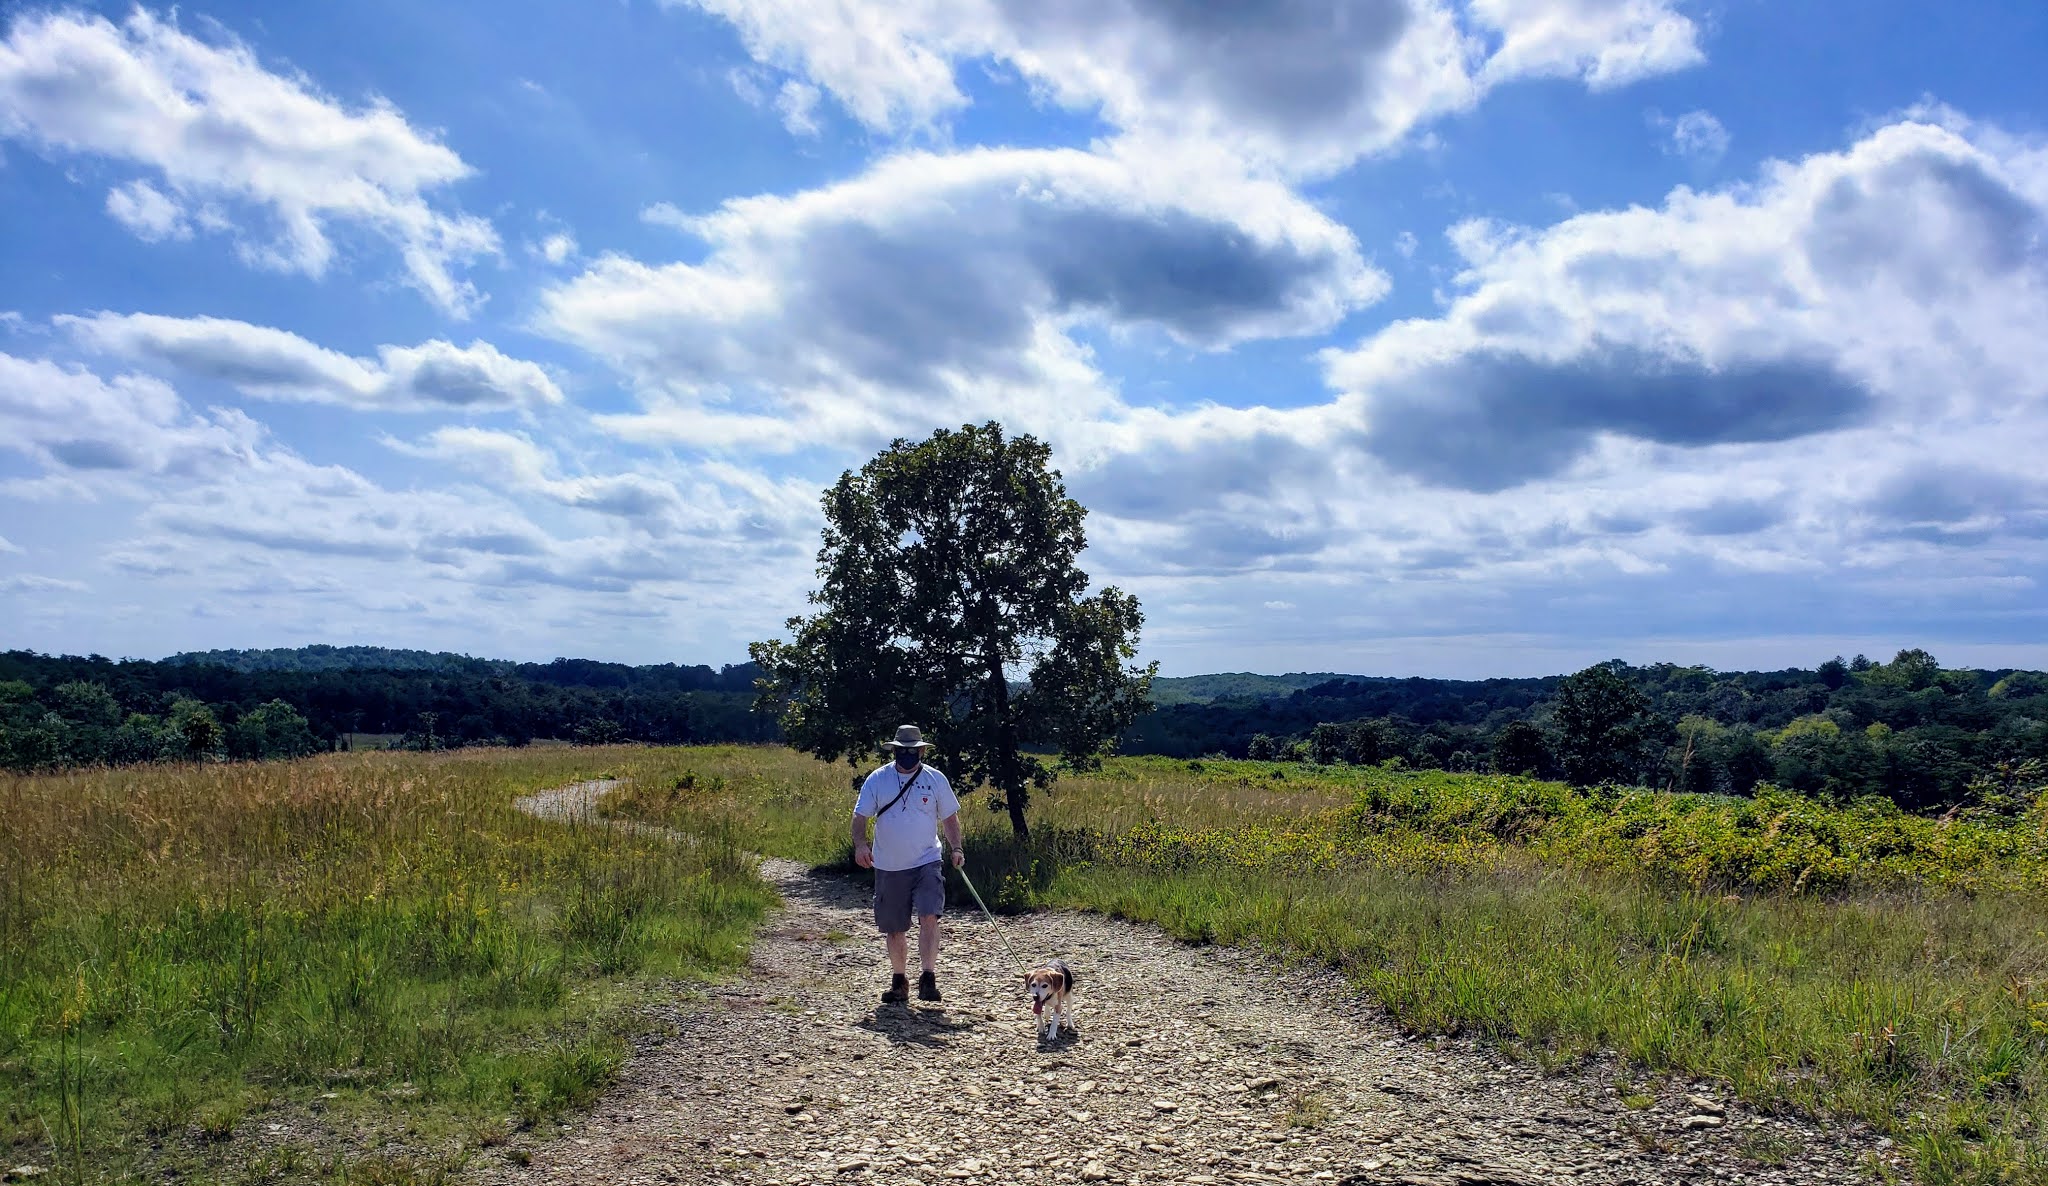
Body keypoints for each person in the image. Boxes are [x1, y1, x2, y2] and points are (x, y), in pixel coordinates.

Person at [852, 724, 964, 1003]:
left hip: (927, 859)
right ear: (894, 751)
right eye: (902, 751)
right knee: (895, 927)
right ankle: (899, 981)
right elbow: (860, 816)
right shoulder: (877, 779)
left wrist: (956, 848)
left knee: (929, 914)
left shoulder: (936, 779)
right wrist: (861, 845)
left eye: (913, 751)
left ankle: (928, 977)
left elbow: (949, 818)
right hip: (889, 864)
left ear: (923, 751)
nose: (907, 755)